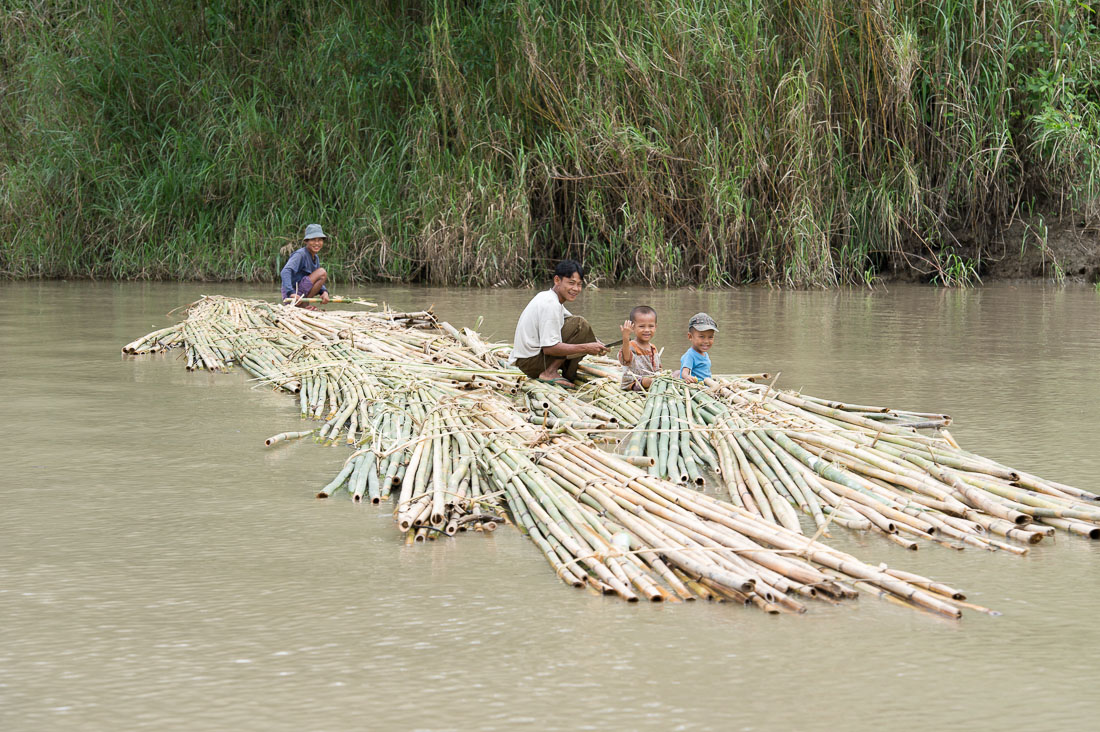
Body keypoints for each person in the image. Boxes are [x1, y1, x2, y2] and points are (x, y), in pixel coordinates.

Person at [508, 260, 608, 387]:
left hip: (528, 360)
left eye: (579, 284)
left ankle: (563, 372)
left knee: (581, 326)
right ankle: (549, 372)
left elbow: (573, 324)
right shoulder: (551, 304)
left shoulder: (549, 297)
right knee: (580, 324)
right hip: (531, 362)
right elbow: (550, 348)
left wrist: (596, 343)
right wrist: (587, 347)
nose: (576, 289)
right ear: (557, 280)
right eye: (571, 283)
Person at [280, 224, 331, 307]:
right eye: (313, 240)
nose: (317, 243)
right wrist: (291, 293)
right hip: (293, 296)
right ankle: (302, 304)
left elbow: (316, 279)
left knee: (321, 273)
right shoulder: (300, 254)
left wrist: (324, 292)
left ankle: (303, 304)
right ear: (306, 241)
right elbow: (285, 272)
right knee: (322, 272)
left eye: (319, 240)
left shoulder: (315, 257)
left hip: (301, 295)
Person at [618, 305, 661, 391]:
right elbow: (626, 358)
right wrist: (625, 337)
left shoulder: (653, 348)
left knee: (677, 373)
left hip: (653, 380)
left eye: (651, 326)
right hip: (634, 383)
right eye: (642, 326)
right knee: (648, 381)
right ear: (633, 327)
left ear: (655, 327)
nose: (647, 330)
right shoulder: (631, 346)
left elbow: (658, 368)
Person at [679, 312, 718, 383]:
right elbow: (684, 373)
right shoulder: (690, 355)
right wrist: (688, 377)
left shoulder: (704, 354)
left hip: (706, 384)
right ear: (690, 336)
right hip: (697, 386)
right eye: (702, 337)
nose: (706, 341)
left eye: (710, 337)